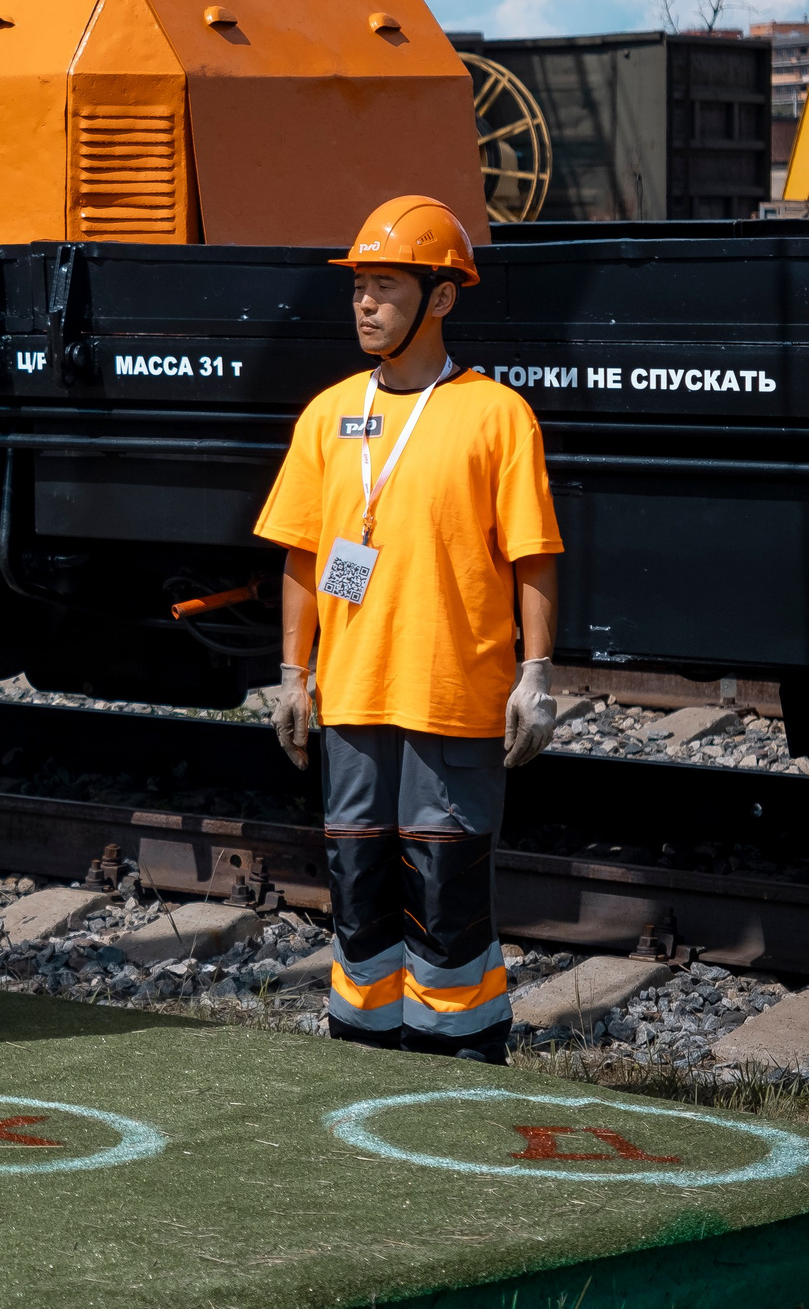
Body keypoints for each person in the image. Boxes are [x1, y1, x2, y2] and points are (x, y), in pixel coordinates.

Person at [254, 195, 561, 1065]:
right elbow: (306, 556)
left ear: (442, 297)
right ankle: (364, 1048)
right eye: (359, 286)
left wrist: (535, 673)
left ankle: (461, 1058)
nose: (364, 303)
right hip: (352, 699)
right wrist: (293, 672)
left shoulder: (495, 415)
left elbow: (533, 554)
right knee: (359, 890)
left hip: (453, 697)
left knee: (447, 893)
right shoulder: (327, 415)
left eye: (386, 285)